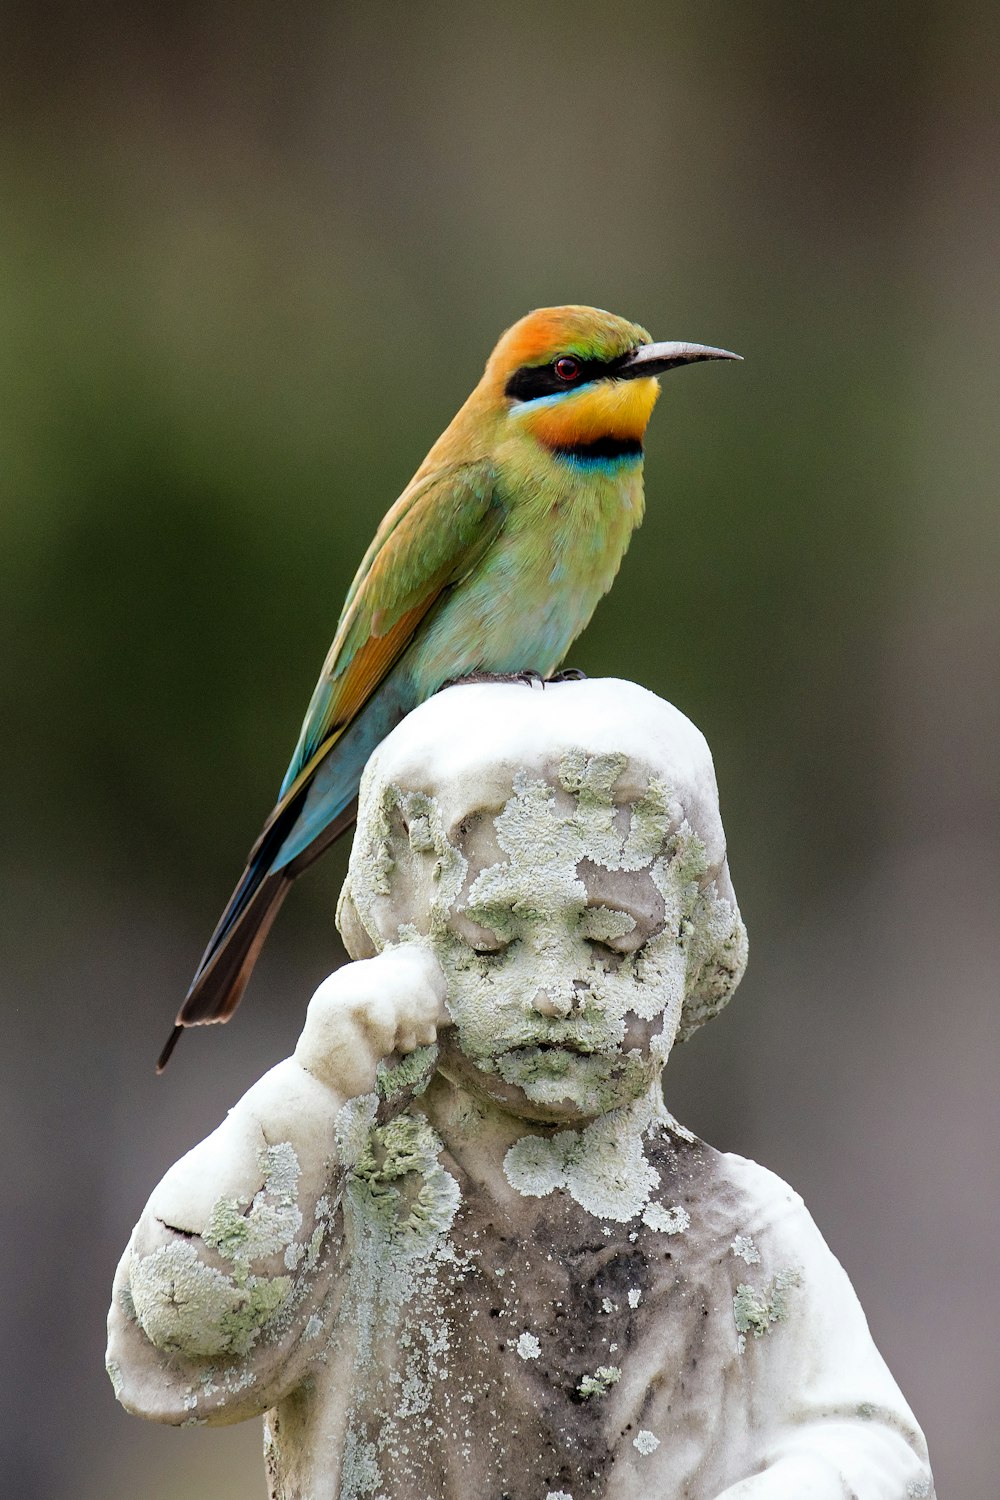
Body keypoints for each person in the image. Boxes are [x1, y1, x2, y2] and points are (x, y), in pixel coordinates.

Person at [108, 679, 935, 1500]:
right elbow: (187, 1327)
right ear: (402, 942)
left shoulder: (738, 1226)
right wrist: (312, 1096)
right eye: (490, 944)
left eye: (612, 944)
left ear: (693, 945)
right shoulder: (358, 1184)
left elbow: (870, 1448)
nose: (552, 992)